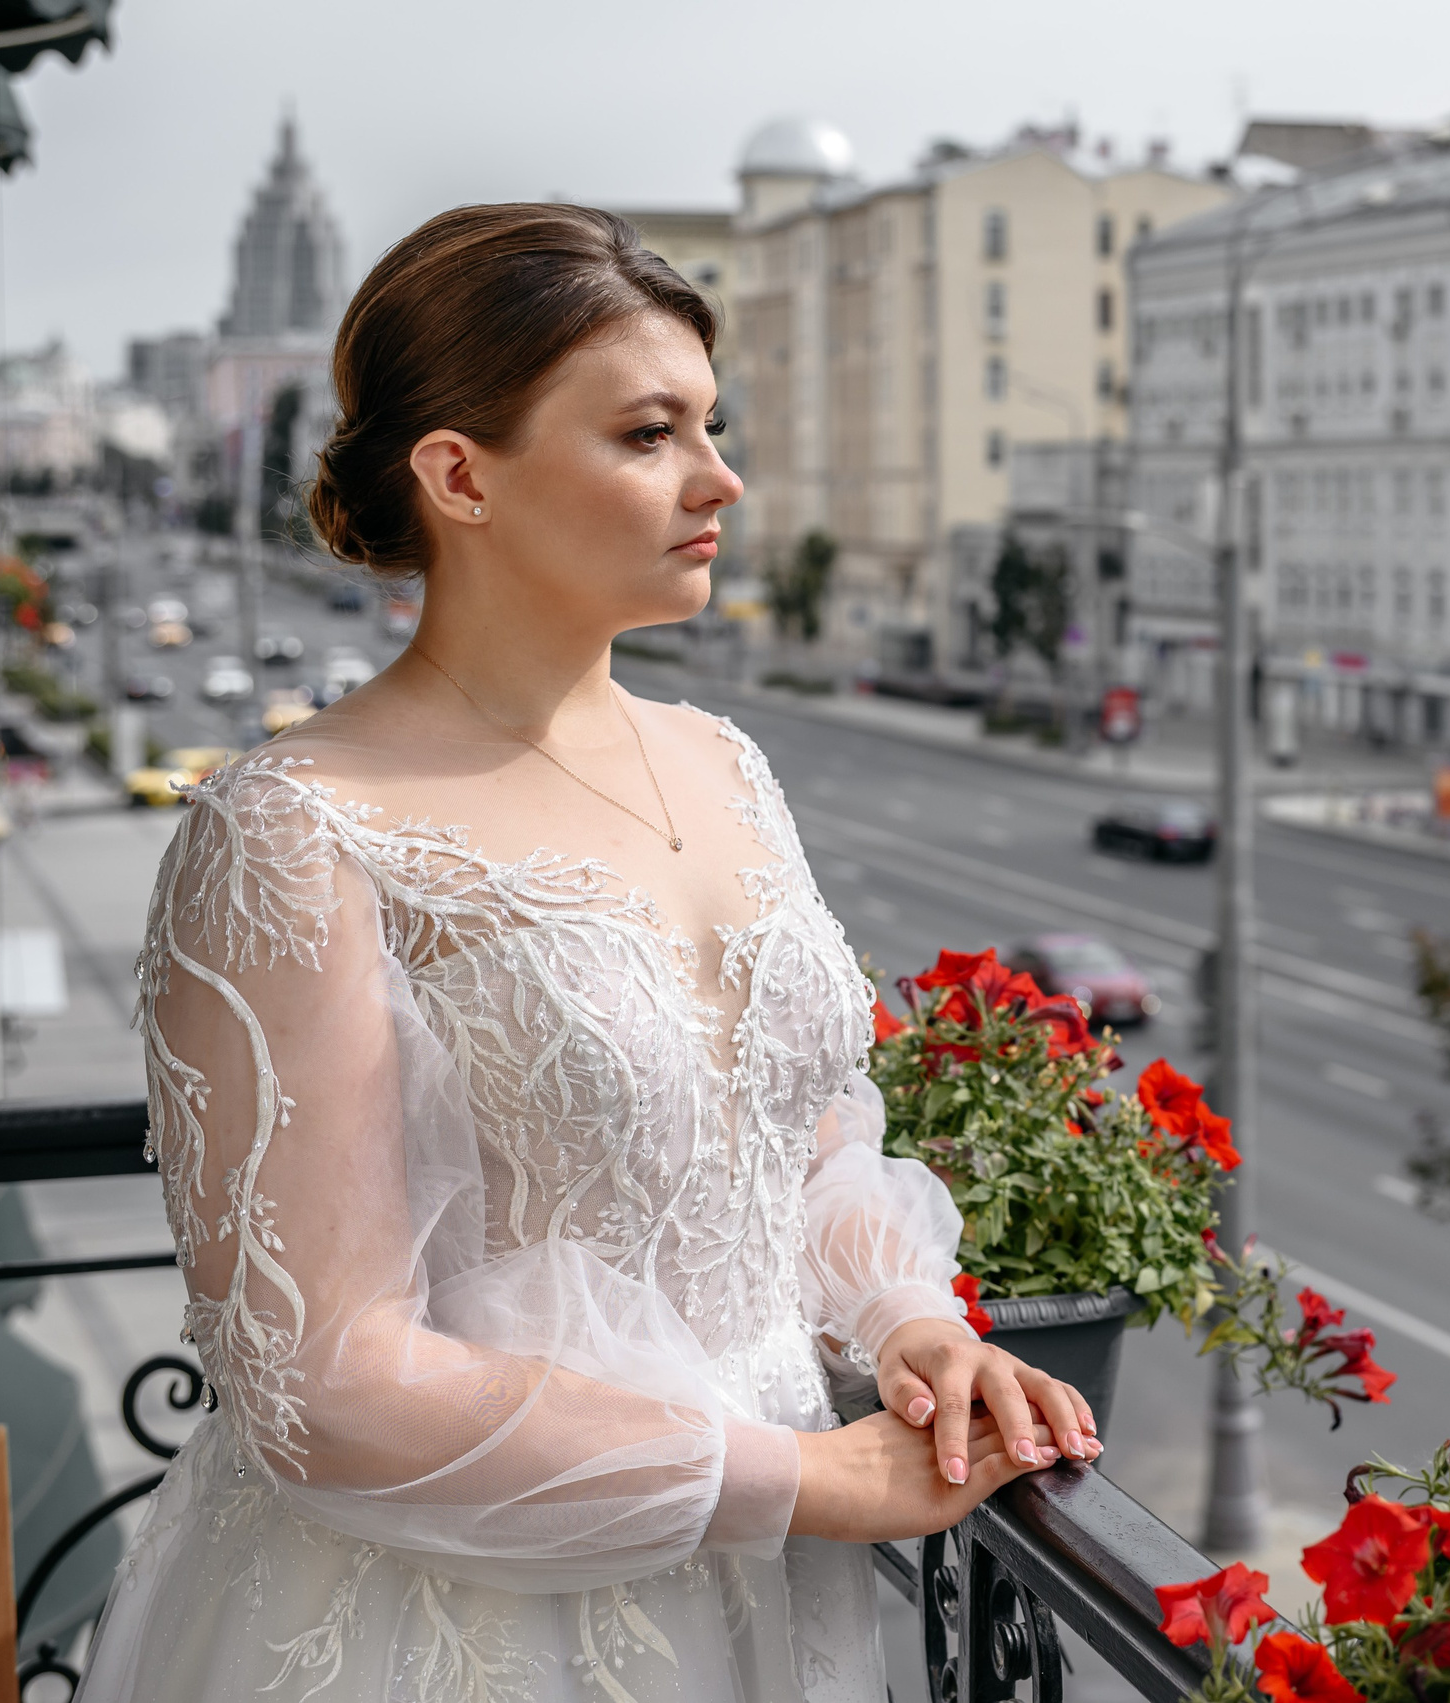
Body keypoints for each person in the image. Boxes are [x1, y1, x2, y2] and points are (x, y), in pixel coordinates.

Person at [80, 205, 1092, 1703]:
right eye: (647, 434)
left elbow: (796, 1153)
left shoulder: (727, 766)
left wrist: (912, 1326)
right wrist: (810, 1483)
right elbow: (322, 1381)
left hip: (771, 1591)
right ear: (459, 476)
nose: (720, 477)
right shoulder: (296, 831)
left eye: (714, 424)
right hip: (467, 1622)